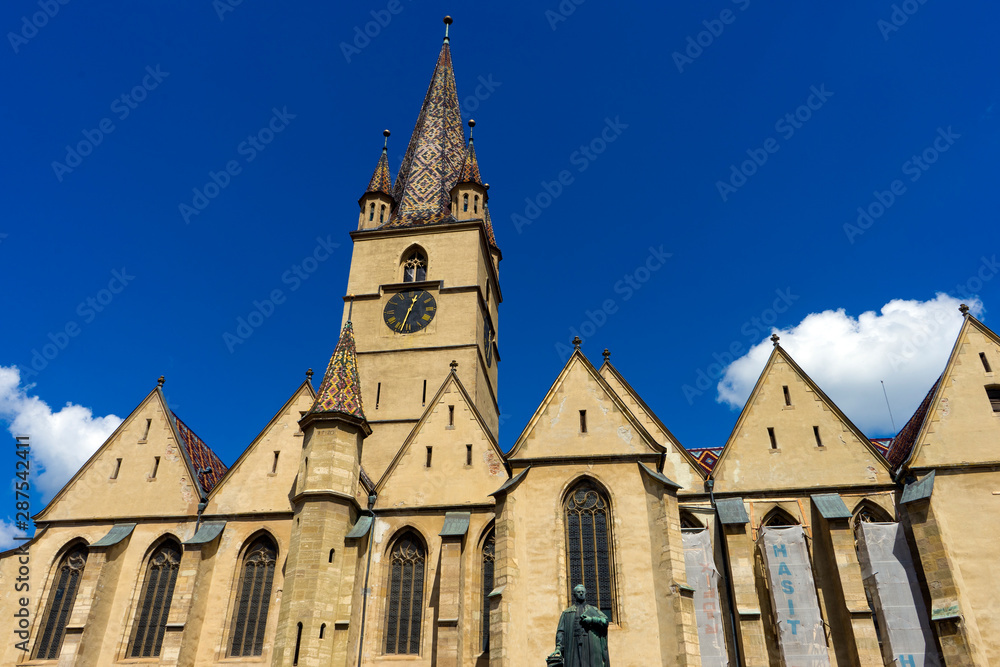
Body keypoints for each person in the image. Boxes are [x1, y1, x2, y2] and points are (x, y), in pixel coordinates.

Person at [550, 584, 609, 666]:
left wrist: (592, 620)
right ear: (574, 595)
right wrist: (558, 648)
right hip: (573, 645)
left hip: (591, 645)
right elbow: (561, 631)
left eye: (582, 592)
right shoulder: (567, 613)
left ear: (585, 593)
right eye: (578, 592)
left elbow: (605, 621)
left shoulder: (593, 610)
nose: (581, 593)